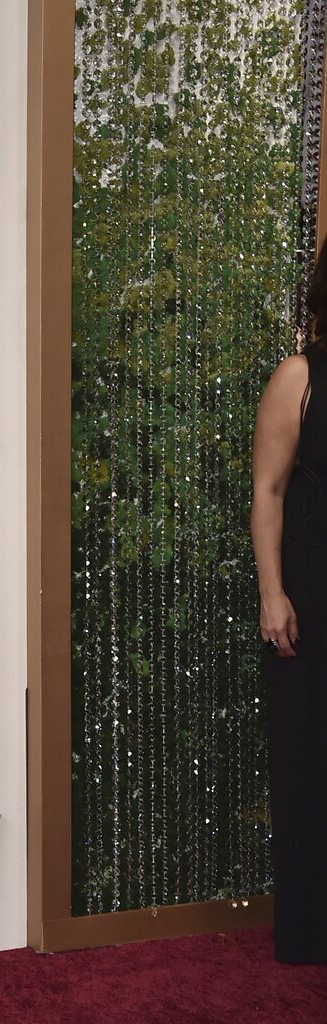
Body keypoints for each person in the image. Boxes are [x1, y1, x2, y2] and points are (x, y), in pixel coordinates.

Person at [250, 239, 327, 965]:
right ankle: (311, 929)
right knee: (309, 760)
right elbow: (267, 493)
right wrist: (273, 593)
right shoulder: (298, 377)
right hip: (314, 595)